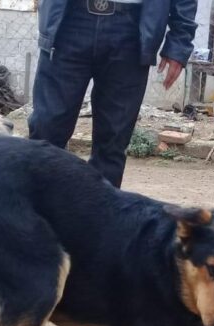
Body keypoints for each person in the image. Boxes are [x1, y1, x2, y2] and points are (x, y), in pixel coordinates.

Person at [29, 0, 198, 188]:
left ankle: (99, 215)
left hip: (132, 29)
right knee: (46, 131)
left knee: (113, 142)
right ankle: (36, 212)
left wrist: (180, 41)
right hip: (68, 21)